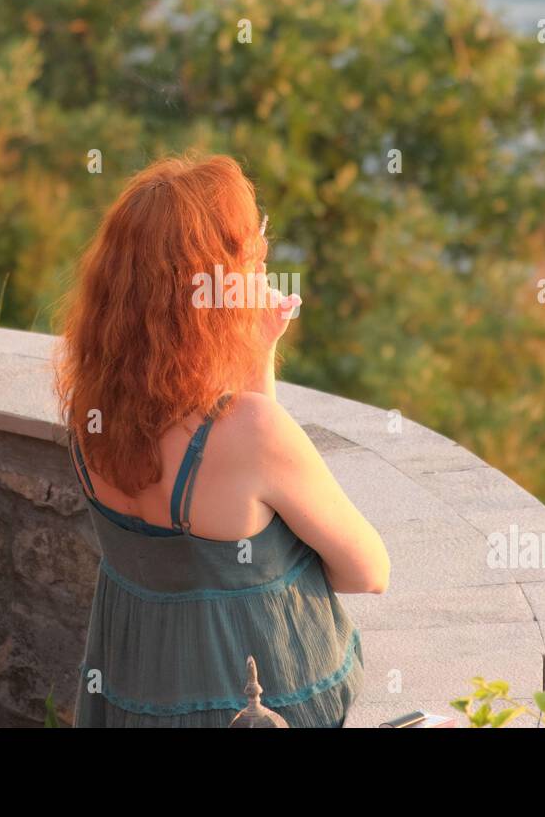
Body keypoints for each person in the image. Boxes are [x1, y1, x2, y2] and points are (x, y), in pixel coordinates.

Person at [55, 153, 390, 727]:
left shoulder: (92, 415)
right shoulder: (251, 434)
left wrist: (256, 356)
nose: (264, 269)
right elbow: (368, 572)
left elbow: (241, 519)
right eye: (254, 256)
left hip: (138, 705)